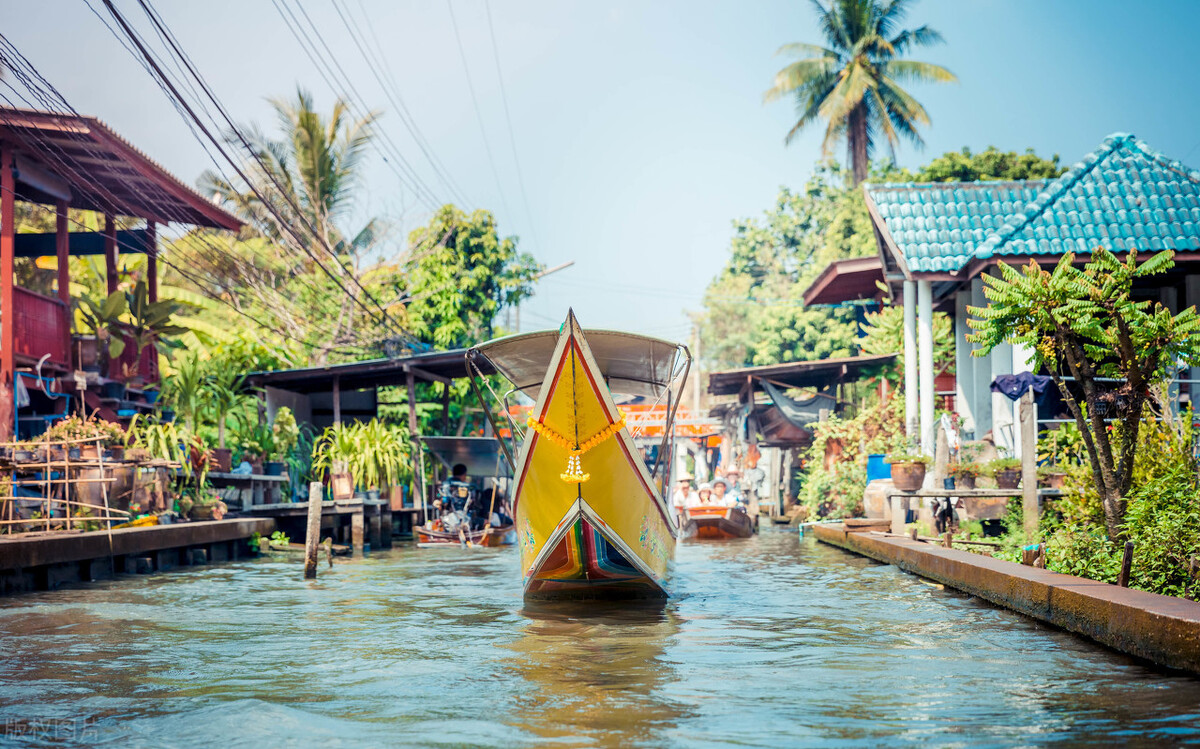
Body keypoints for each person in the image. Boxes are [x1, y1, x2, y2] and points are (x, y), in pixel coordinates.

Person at [436, 463, 475, 532]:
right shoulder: (468, 486)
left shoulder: (445, 484)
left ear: (453, 473)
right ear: (464, 474)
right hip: (464, 520)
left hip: (448, 520)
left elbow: (444, 501)